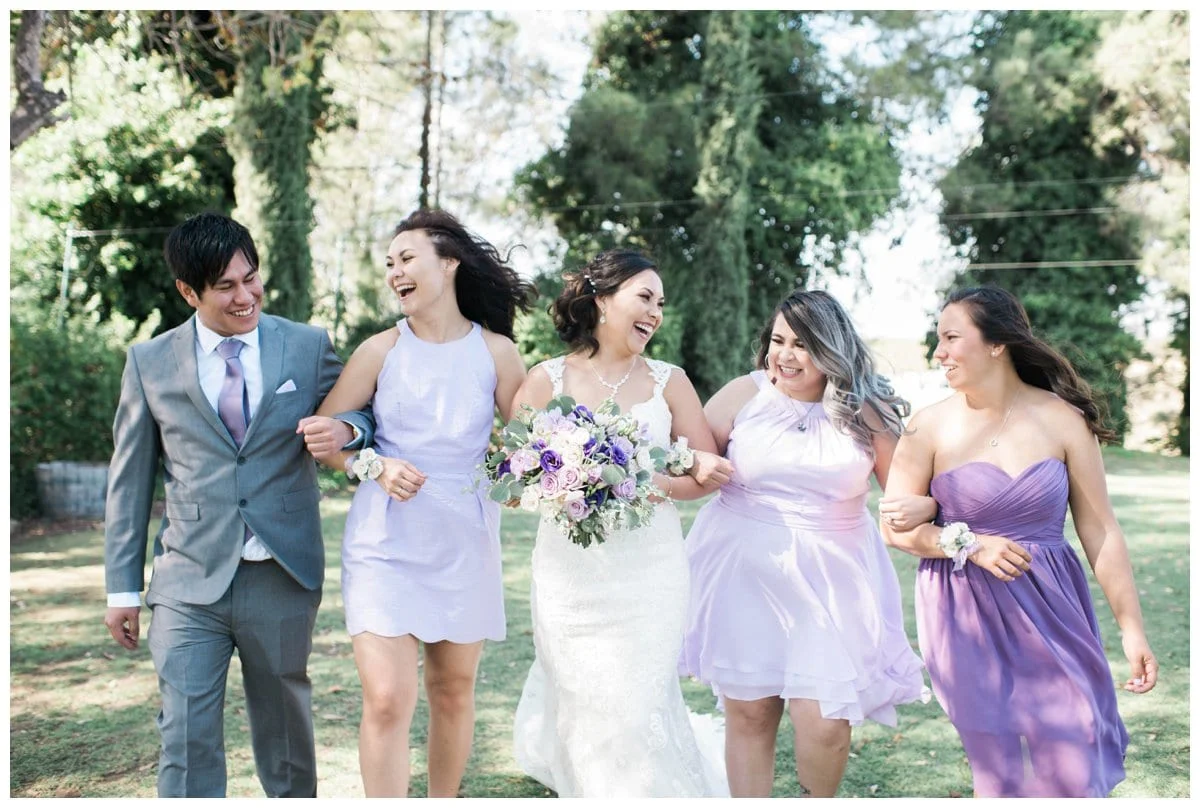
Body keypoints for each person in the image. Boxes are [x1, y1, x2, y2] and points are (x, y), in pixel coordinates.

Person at [102, 211, 374, 797]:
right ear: (188, 291)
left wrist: (349, 430)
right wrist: (121, 589)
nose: (245, 296)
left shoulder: (306, 345)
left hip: (281, 572)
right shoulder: (149, 362)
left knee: (284, 736)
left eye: (251, 279)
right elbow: (129, 481)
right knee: (185, 737)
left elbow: (362, 408)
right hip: (187, 578)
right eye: (225, 286)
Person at [879, 285, 1159, 798]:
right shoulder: (928, 426)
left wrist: (1132, 629)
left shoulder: (1063, 419)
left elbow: (1100, 529)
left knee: (1075, 739)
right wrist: (968, 543)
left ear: (996, 344)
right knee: (1002, 763)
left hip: (1052, 608)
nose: (938, 353)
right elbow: (895, 528)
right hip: (965, 612)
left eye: (951, 338)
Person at [302, 209, 534, 797]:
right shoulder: (379, 350)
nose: (395, 272)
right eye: (390, 263)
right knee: (386, 698)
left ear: (449, 263)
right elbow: (324, 438)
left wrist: (518, 478)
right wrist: (374, 465)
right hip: (386, 540)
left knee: (453, 693)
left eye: (407, 258)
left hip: (464, 538)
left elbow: (531, 446)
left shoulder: (498, 352)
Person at [678, 289, 931, 797]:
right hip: (743, 574)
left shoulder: (868, 412)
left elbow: (905, 494)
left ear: (831, 349)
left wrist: (923, 508)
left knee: (826, 721)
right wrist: (688, 462)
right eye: (778, 341)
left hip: (832, 578)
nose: (785, 355)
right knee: (750, 712)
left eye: (801, 344)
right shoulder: (742, 395)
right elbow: (690, 466)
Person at [510, 248, 732, 798]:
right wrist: (560, 480)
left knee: (636, 705)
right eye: (645, 297)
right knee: (581, 703)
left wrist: (641, 481)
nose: (656, 312)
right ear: (603, 300)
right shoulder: (544, 379)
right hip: (569, 574)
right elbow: (511, 479)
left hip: (650, 570)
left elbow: (707, 474)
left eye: (661, 304)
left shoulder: (669, 382)